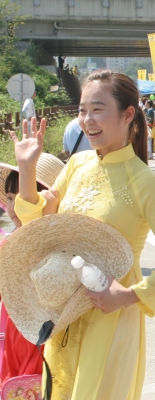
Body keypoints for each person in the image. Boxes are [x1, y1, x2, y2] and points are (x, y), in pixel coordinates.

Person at [10, 70, 155, 400]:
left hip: (109, 318)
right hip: (65, 312)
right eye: (83, 110)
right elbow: (40, 223)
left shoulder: (145, 182)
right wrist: (27, 170)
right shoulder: (77, 164)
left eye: (98, 109)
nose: (87, 120)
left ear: (128, 114)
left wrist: (131, 296)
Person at [0, 154, 64, 387]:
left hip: (42, 341)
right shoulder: (7, 244)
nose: (14, 206)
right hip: (11, 339)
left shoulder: (59, 247)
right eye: (9, 197)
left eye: (24, 198)